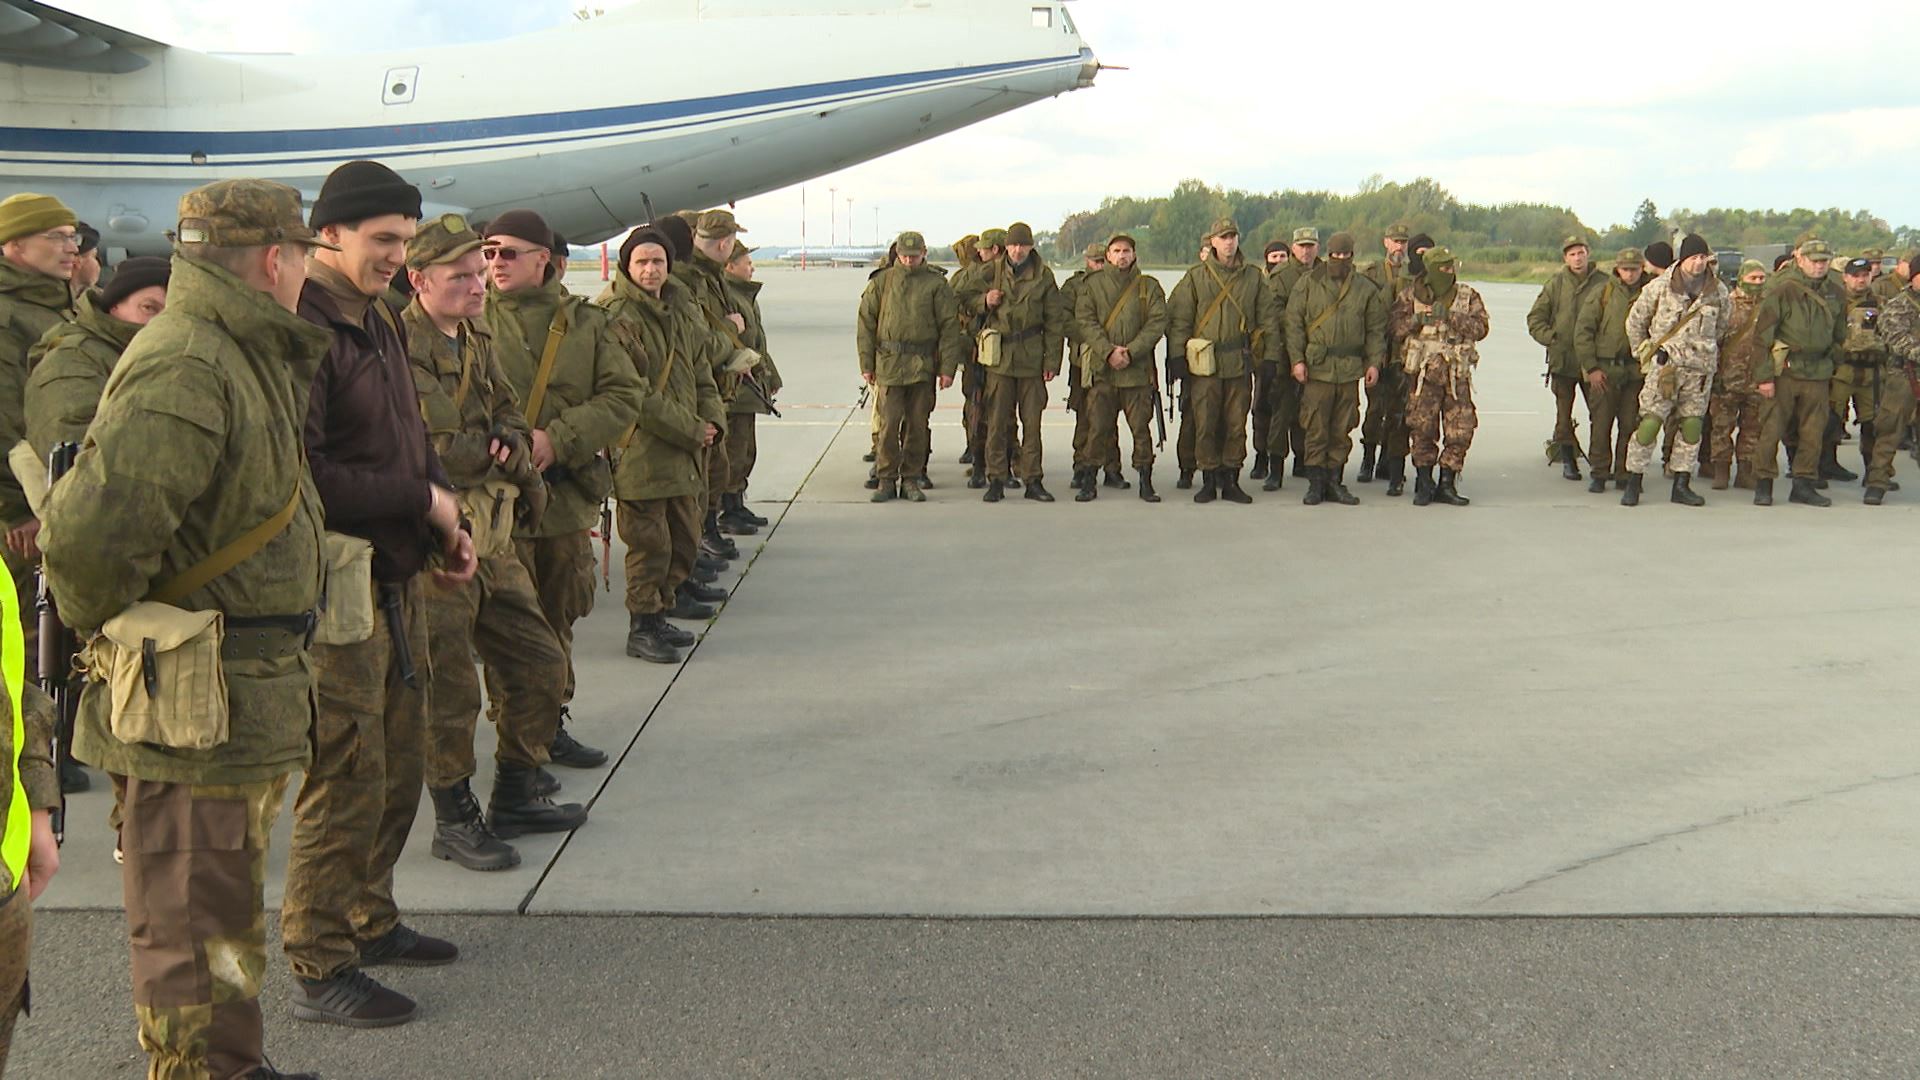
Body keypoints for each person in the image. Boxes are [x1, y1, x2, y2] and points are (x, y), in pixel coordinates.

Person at [40, 177, 333, 1079]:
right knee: (189, 928)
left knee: (223, 917)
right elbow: (87, 547)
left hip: (234, 708)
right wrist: (141, 645)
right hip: (190, 713)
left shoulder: (241, 349)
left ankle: (233, 1063)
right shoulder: (191, 362)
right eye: (308, 255)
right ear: (276, 259)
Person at [279, 159, 479, 1028]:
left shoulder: (379, 322)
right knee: (348, 773)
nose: (397, 256)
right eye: (382, 241)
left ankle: (371, 916)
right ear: (328, 235)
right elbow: (302, 474)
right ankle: (321, 962)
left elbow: (410, 439)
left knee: (400, 761)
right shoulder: (307, 330)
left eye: (404, 241)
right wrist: (416, 499)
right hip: (339, 595)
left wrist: (446, 520)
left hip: (398, 575)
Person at [403, 213, 583, 873]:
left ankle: (516, 788)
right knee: (450, 691)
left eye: (481, 274)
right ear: (419, 279)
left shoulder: (476, 333)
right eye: (461, 277)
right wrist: (494, 451)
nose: (479, 287)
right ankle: (454, 818)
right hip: (434, 548)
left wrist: (504, 437)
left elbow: (506, 407)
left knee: (541, 663)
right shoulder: (395, 346)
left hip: (494, 533)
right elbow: (422, 450)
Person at [482, 209, 641, 752]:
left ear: (543, 260)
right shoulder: (470, 321)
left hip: (565, 502)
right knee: (505, 627)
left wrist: (559, 438)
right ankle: (515, 733)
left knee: (558, 616)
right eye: (489, 252)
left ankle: (551, 721)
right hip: (498, 504)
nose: (495, 263)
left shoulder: (587, 325)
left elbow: (624, 397)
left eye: (509, 253)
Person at [597, 226, 728, 660]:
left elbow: (701, 370)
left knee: (683, 536)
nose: (651, 270)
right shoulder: (614, 314)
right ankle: (643, 625)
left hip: (684, 446)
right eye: (642, 262)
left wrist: (712, 419)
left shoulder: (676, 308)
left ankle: (664, 608)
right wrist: (691, 428)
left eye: (658, 262)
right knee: (648, 544)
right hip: (641, 449)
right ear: (627, 267)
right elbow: (633, 393)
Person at [0, 194, 78, 689]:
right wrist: (18, 510)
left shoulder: (54, 307)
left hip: (54, 507)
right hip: (23, 519)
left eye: (73, 236)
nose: (71, 246)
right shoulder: (9, 317)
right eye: (55, 236)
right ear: (13, 245)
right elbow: (6, 423)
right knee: (28, 659)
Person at [1167, 218, 1277, 504]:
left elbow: (1268, 319)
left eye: (1233, 236)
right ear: (1212, 242)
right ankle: (1207, 477)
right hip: (1205, 365)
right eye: (1223, 237)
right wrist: (1177, 355)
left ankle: (1231, 479)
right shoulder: (1195, 277)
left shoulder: (1253, 277)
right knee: (1205, 422)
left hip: (1239, 362)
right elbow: (1180, 319)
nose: (1229, 242)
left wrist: (1270, 357)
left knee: (1236, 424)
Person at [954, 222, 1064, 503]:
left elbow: (1054, 321)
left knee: (1032, 424)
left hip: (1030, 358)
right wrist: (984, 300)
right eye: (1013, 245)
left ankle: (1033, 479)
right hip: (999, 360)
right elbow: (959, 295)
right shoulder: (992, 270)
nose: (1017, 250)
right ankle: (996, 479)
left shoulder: (1043, 276)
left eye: (1023, 245)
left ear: (1030, 246)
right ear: (1007, 246)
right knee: (997, 422)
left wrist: (1052, 360)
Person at [24, 256, 170, 462]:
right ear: (115, 306)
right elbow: (71, 446)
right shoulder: (74, 358)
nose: (160, 321)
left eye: (171, 312)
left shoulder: (152, 354)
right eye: (149, 308)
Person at [857, 231, 966, 502]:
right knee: (888, 425)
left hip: (922, 366)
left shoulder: (936, 285)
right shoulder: (882, 282)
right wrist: (866, 363)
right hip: (889, 365)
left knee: (918, 426)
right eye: (904, 256)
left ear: (924, 253)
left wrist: (947, 369)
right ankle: (886, 479)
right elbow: (866, 325)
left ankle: (911, 479)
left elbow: (949, 328)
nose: (908, 261)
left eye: (914, 256)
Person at [1620, 234, 1728, 507]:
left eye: (1703, 258)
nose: (1698, 264)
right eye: (1693, 258)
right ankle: (1634, 479)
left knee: (1691, 427)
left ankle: (1682, 483)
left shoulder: (1717, 292)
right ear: (1682, 259)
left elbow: (1723, 327)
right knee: (1649, 424)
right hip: (1665, 368)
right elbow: (1635, 322)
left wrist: (1705, 352)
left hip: (1699, 372)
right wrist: (1644, 352)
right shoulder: (1660, 287)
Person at [1285, 231, 1387, 505]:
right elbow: (1293, 323)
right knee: (1316, 427)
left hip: (1349, 369)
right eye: (1335, 255)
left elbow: (1376, 330)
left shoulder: (1364, 288)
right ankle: (1315, 483)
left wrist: (1374, 363)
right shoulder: (1308, 284)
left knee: (1342, 428)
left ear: (1353, 256)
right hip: (1317, 368)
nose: (1340, 260)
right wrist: (1297, 360)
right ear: (1327, 254)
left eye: (1346, 255)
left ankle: (1335, 481)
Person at [1073, 233, 1169, 502]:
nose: (1122, 255)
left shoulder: (1148, 286)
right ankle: (1089, 480)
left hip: (1136, 372)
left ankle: (1145, 481)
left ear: (1134, 255)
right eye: (1116, 251)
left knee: (1141, 429)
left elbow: (1157, 322)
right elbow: (1085, 321)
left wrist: (1132, 351)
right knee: (1097, 428)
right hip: (1104, 371)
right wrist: (1108, 352)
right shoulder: (1092, 286)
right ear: (1108, 255)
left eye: (1127, 250)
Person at [1752, 238, 1847, 507]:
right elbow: (1762, 337)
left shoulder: (1836, 291)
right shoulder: (1782, 289)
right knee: (1772, 429)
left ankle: (1804, 483)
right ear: (1801, 260)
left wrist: (1834, 360)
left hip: (1818, 371)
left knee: (1813, 432)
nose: (1819, 266)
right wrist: (1764, 377)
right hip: (1786, 370)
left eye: (1824, 261)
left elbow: (1840, 333)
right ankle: (1764, 483)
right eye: (1814, 261)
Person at [1389, 246, 1486, 506]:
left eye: (1450, 266)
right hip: (1424, 375)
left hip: (1456, 376)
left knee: (1461, 429)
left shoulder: (1468, 296)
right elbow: (1395, 329)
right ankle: (1424, 482)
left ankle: (1447, 482)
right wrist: (1416, 320)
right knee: (1421, 428)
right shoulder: (1411, 295)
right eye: (1442, 267)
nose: (1448, 271)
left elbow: (1481, 328)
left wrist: (1452, 317)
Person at [1527, 234, 1606, 480]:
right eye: (1572, 254)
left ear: (1588, 253)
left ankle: (1600, 460)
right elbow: (1535, 318)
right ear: (1565, 258)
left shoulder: (1605, 283)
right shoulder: (1556, 284)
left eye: (1581, 252)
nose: (1577, 258)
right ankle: (1568, 458)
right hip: (1563, 361)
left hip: (1593, 361)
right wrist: (1552, 338)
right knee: (1563, 414)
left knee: (1600, 413)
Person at [1572, 248, 1648, 493]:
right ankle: (1599, 472)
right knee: (1601, 424)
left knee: (1630, 424)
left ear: (1641, 268)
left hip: (1636, 371)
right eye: (1625, 269)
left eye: (1634, 269)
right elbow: (1583, 332)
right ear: (1618, 269)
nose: (1630, 274)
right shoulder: (1602, 292)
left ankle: (1625, 471)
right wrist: (1591, 367)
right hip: (1604, 369)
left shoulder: (1651, 294)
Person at [720, 242, 782, 528]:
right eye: (746, 262)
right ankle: (728, 508)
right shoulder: (728, 296)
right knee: (735, 448)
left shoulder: (745, 295)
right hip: (736, 386)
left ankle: (737, 502)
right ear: (730, 265)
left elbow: (758, 342)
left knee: (746, 448)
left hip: (750, 383)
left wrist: (770, 375)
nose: (751, 266)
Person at [1062, 242, 1123, 492]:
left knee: (1108, 415)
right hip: (1082, 360)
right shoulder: (1074, 287)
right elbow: (1063, 319)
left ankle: (1112, 468)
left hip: (1110, 358)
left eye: (1102, 261)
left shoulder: (1117, 284)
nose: (1099, 266)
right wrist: (1091, 337)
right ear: (1087, 261)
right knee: (1084, 415)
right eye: (1095, 261)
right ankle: (1081, 466)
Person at [1358, 222, 1413, 484]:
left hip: (1402, 355)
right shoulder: (1371, 273)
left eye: (1403, 241)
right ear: (1386, 243)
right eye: (1395, 241)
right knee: (1374, 410)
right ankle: (1367, 459)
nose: (1399, 246)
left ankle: (1386, 462)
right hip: (1378, 353)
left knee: (1397, 413)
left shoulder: (1414, 275)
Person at [1710, 260, 1769, 490]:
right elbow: (1714, 340)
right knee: (1721, 426)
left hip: (1757, 379)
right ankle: (1721, 469)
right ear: (1742, 278)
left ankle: (1746, 470)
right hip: (1727, 378)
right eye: (1753, 278)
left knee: (1753, 427)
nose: (1757, 283)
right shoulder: (1727, 305)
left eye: (1761, 278)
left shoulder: (1769, 306)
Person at [1827, 256, 1885, 484]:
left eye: (1865, 275)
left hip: (1870, 372)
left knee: (1872, 424)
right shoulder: (1834, 302)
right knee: (1831, 420)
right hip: (1842, 370)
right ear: (1845, 277)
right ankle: (1827, 465)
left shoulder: (1881, 303)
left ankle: (1873, 471)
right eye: (1856, 276)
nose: (1861, 280)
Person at [1868, 257, 1920, 503]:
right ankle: (1877, 481)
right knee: (1890, 429)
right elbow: (1895, 336)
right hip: (1904, 377)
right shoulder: (1899, 304)